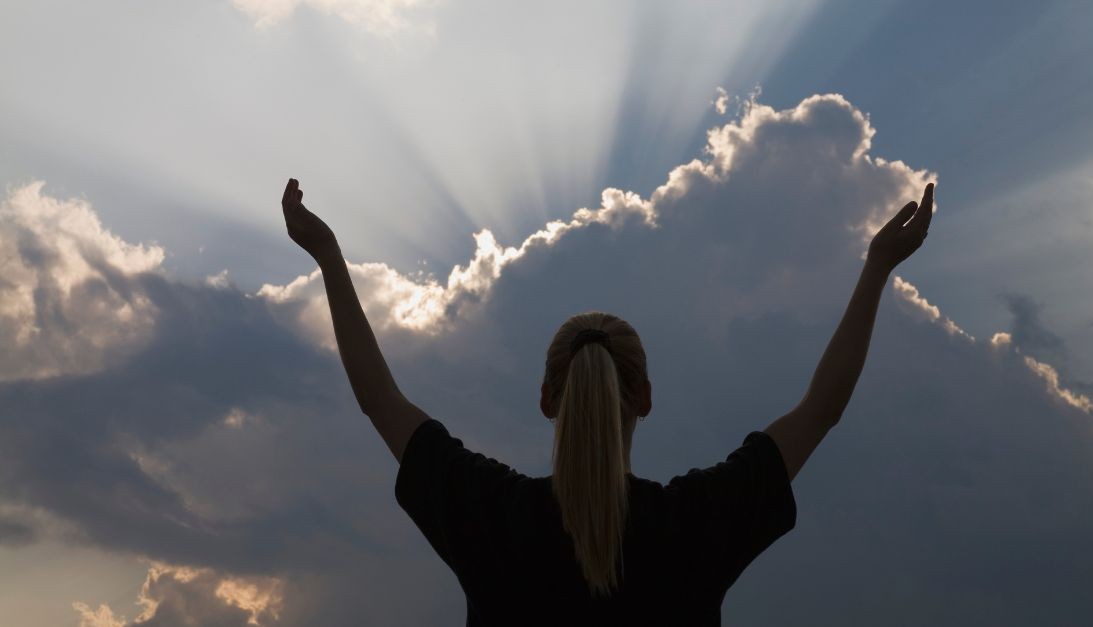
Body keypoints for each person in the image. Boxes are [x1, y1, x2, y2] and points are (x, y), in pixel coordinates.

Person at [279, 178, 935, 626]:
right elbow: (821, 409)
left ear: (546, 398)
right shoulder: (694, 523)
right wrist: (878, 264)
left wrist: (327, 253)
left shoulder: (492, 516)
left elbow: (378, 397)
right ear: (645, 398)